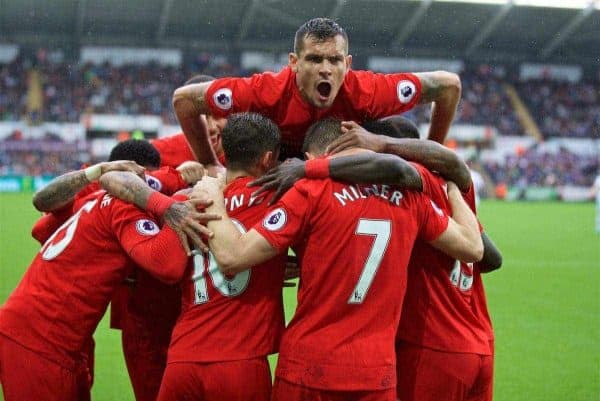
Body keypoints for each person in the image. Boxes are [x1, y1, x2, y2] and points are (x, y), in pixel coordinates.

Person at [192, 118, 483, 401]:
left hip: (308, 367)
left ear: (311, 157)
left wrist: (213, 196)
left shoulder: (309, 190)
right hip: (376, 372)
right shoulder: (410, 197)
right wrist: (454, 190)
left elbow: (233, 257)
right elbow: (473, 248)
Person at [0, 172, 210, 401]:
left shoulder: (92, 199)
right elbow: (166, 265)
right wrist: (179, 205)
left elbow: (40, 228)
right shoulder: (125, 207)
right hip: (42, 342)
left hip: (45, 334)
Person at [172, 17, 461, 165]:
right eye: (314, 59)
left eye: (334, 60)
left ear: (347, 65)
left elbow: (448, 86)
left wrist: (429, 162)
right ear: (294, 63)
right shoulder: (265, 91)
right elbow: (184, 100)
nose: (326, 69)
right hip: (279, 172)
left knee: (393, 135)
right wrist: (209, 164)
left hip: (340, 174)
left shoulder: (368, 91)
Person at [156, 112, 287, 401]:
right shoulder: (276, 199)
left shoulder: (186, 202)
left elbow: (164, 265)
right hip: (241, 361)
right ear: (268, 159)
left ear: (224, 152)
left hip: (181, 360)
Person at [151, 75, 227, 168]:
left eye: (217, 115)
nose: (211, 128)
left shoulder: (245, 154)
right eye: (200, 119)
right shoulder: (162, 151)